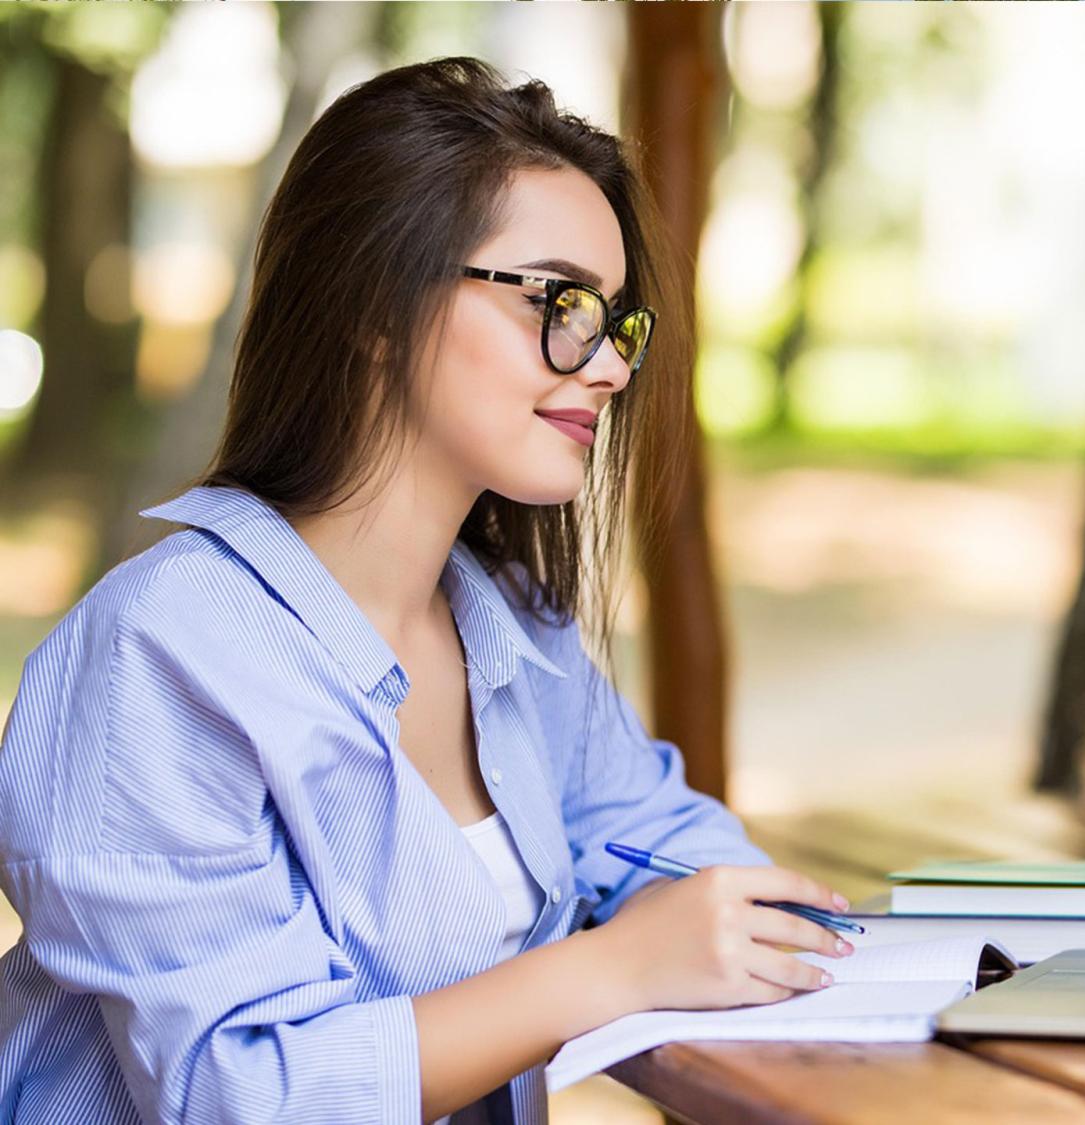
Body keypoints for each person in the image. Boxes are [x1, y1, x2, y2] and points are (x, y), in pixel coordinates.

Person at [0, 57, 855, 1125]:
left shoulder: (510, 630)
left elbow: (668, 842)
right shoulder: (155, 656)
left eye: (618, 321)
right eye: (561, 302)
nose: (611, 368)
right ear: (375, 303)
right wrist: (610, 969)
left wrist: (711, 915)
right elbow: (240, 1093)